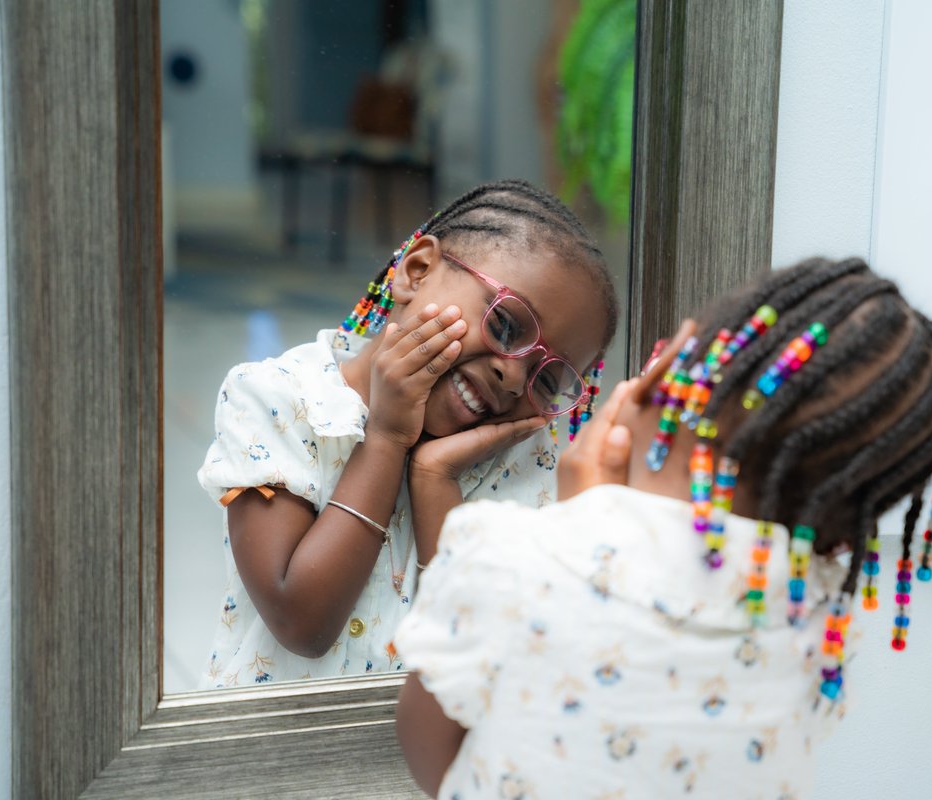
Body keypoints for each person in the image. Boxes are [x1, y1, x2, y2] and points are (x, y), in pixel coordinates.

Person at [394, 257, 932, 798]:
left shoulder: (505, 553)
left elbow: (431, 759)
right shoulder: (822, 626)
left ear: (673, 367)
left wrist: (576, 528)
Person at [197, 179, 619, 686]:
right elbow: (301, 621)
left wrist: (436, 480)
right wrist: (387, 439)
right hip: (269, 761)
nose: (514, 376)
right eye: (506, 325)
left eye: (547, 378)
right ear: (416, 271)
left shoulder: (529, 461)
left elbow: (476, 670)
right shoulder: (278, 399)